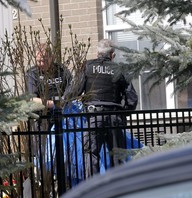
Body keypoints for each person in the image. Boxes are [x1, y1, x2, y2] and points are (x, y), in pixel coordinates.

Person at [64, 39, 138, 175]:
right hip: (114, 118)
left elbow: (73, 92)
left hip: (93, 117)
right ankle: (118, 191)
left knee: (91, 155)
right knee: (117, 156)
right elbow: (132, 99)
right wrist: (123, 114)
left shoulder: (87, 66)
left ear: (97, 53)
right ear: (112, 55)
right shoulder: (119, 69)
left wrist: (62, 100)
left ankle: (95, 190)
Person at [26, 43, 72, 111]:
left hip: (64, 111)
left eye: (45, 61)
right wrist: (53, 104)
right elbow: (32, 99)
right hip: (43, 113)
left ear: (52, 58)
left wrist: (63, 101)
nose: (42, 64)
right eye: (39, 61)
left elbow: (71, 90)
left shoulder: (61, 70)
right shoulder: (32, 73)